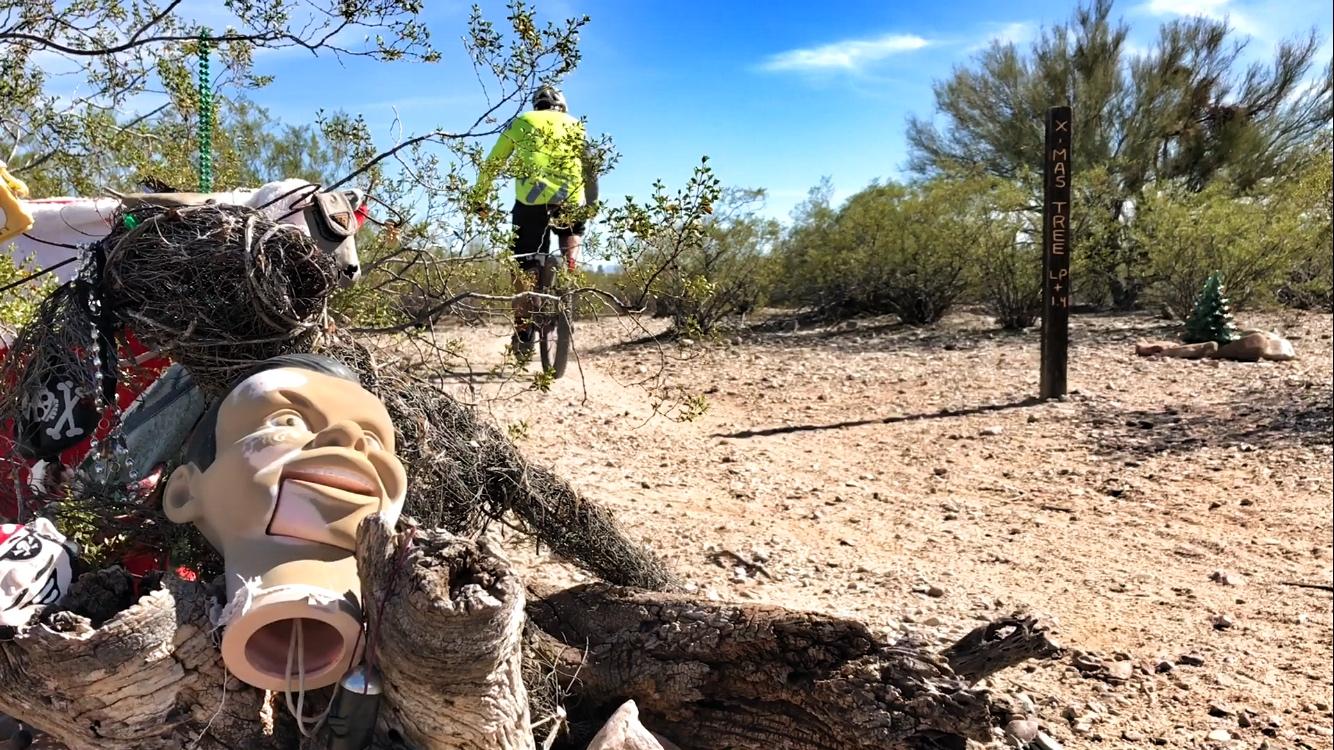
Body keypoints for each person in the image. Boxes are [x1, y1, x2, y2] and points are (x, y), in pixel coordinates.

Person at [469, 85, 600, 357]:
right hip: (569, 200)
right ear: (562, 107)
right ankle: (569, 275)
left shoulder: (522, 122)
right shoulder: (576, 125)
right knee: (572, 231)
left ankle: (523, 327)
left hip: (530, 203)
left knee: (523, 263)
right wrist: (592, 204)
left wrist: (479, 199)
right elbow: (590, 168)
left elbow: (493, 162)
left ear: (535, 106)